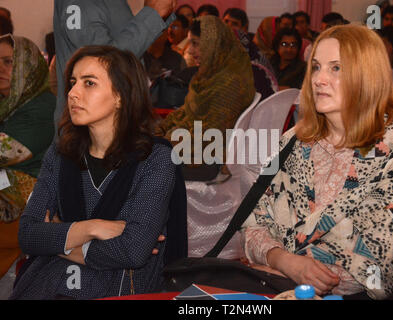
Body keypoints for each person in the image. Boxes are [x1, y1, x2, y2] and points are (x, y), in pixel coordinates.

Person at [241, 25, 393, 300]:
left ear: (367, 76)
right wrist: (285, 262)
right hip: (279, 287)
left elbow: (385, 262)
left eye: (336, 68)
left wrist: (306, 276)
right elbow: (254, 221)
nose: (319, 79)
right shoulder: (293, 140)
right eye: (316, 67)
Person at [9, 45, 186, 300]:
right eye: (72, 83)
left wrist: (61, 238)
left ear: (121, 96)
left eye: (89, 83)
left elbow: (133, 251)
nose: (72, 93)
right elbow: (27, 235)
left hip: (118, 288)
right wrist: (93, 228)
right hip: (50, 284)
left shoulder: (155, 158)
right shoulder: (60, 154)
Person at [155, 16, 255, 180]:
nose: (190, 50)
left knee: (141, 165)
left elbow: (210, 136)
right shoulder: (210, 74)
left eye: (195, 43)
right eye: (190, 43)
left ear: (212, 44)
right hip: (196, 148)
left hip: (209, 159)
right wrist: (161, 132)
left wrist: (164, 143)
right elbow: (186, 114)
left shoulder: (230, 83)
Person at [53, 0, 177, 129]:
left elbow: (127, 45)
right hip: (88, 133)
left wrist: (160, 14)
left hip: (117, 126)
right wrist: (152, 15)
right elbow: (100, 62)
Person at [0, 35, 55, 280]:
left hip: (27, 205)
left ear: (28, 66)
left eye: (9, 61)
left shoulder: (41, 107)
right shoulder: (8, 102)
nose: (0, 68)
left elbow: (6, 153)